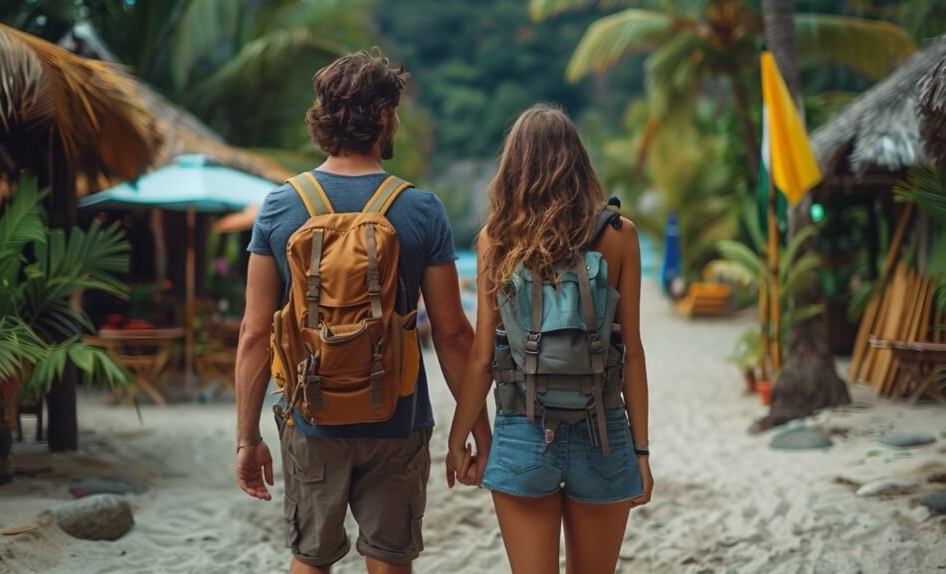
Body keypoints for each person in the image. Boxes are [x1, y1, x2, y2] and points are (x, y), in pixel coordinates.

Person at [234, 51, 491, 574]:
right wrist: (475, 429)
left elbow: (254, 332)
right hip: (397, 420)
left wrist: (247, 437)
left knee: (310, 559)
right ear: (385, 117)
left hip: (310, 417)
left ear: (323, 118)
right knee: (390, 561)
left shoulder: (281, 207)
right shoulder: (421, 209)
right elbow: (454, 334)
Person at [446, 105, 654, 574]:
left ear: (512, 169)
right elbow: (634, 353)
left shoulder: (495, 241)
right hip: (604, 429)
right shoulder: (620, 236)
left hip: (523, 429)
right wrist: (640, 452)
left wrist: (460, 439)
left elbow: (482, 357)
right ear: (579, 163)